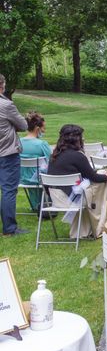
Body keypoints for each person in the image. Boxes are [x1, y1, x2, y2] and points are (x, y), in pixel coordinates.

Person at [47, 124, 107, 238]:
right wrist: (106, 176)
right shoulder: (77, 156)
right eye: (81, 136)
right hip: (73, 200)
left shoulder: (54, 155)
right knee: (103, 184)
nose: (83, 139)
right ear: (76, 139)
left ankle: (86, 228)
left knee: (92, 186)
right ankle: (105, 222)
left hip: (55, 198)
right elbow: (93, 177)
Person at [0, 74, 28, 236]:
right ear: (2, 86)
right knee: (9, 190)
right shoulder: (6, 105)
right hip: (7, 152)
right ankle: (9, 228)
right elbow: (23, 125)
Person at [19, 112, 51, 211]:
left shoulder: (18, 142)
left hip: (22, 178)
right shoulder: (42, 144)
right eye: (43, 128)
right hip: (40, 180)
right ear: (37, 129)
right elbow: (50, 162)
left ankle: (36, 205)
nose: (44, 130)